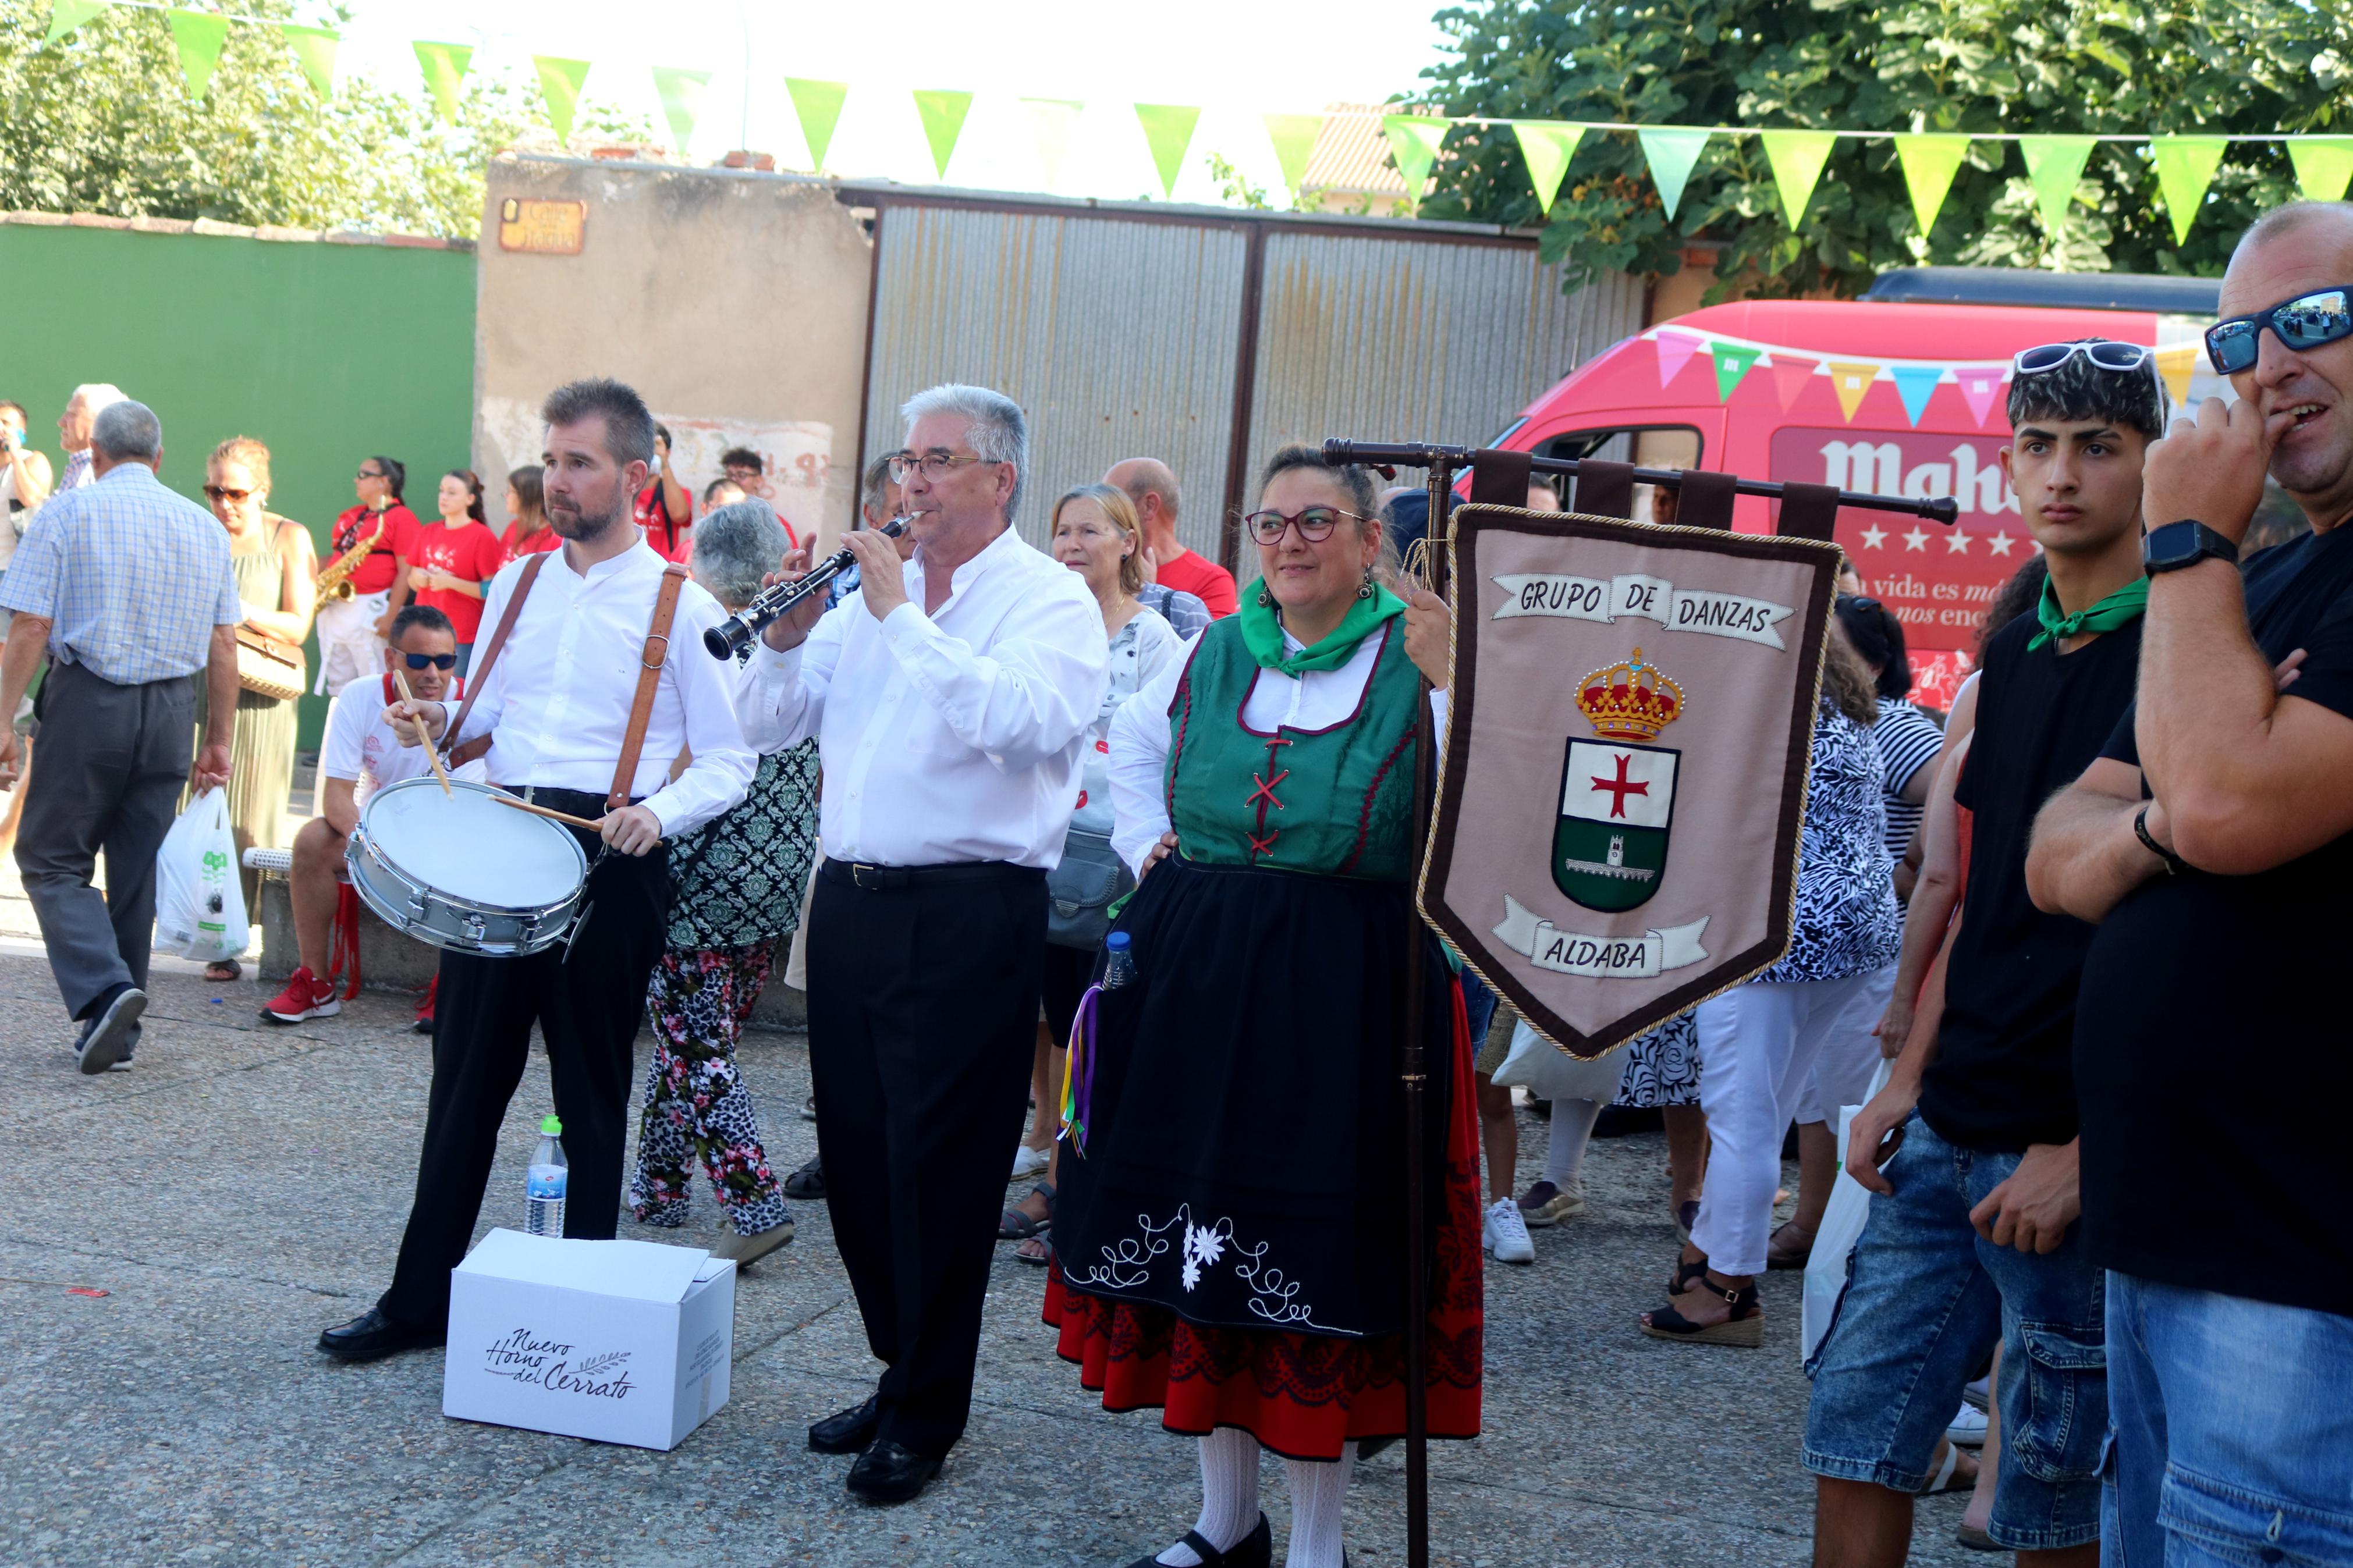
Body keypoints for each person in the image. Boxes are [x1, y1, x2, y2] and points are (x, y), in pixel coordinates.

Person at [1047, 444, 1480, 1568]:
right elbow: (1131, 745)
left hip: (1345, 978)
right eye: (1271, 522)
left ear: (1367, 540)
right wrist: (1152, 849)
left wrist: (1456, 684)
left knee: (1306, 1252)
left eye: (1316, 522)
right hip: (1200, 966)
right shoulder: (1215, 646)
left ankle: (1317, 1545)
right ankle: (1224, 1523)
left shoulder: (1416, 649)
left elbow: (1491, 791)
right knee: (1201, 1236)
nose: (1289, 542)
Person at [2026, 201, 2353, 1565]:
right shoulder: (2267, 583)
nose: (2267, 366)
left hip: (2301, 1275)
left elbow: (2211, 792)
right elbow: (2059, 846)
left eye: (2316, 321)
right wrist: (2169, 827)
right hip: (2168, 1247)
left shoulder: (2215, 566)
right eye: (2238, 336)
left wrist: (2183, 544)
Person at [1806, 337, 2165, 1566]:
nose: (2058, 474)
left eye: (2096, 447)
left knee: (2047, 1499)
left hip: (2069, 1145)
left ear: (2151, 464)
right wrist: (1899, 1079)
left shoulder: (2182, 654)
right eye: (2035, 445)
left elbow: (2188, 940)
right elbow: (1979, 895)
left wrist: (2084, 1148)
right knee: (1851, 1434)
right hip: (1943, 1121)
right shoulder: (2009, 656)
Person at [315, 377, 753, 1364]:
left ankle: (581, 1310)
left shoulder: (680, 603)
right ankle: (417, 1300)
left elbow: (730, 760)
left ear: (635, 476)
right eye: (551, 461)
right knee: (462, 1082)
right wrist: (447, 728)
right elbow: (496, 722)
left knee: (592, 1093)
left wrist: (657, 814)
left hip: (613, 851)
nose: (557, 480)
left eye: (580, 462)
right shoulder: (515, 580)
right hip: (503, 839)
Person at [736, 383, 1105, 1504]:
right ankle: (900, 1371)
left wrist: (900, 615)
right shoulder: (857, 599)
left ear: (1000, 479)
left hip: (967, 909)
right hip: (848, 905)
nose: (913, 483)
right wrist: (786, 643)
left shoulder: (1046, 601)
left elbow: (1019, 725)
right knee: (855, 1158)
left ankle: (930, 1408)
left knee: (939, 1167)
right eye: (906, 463)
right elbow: (762, 727)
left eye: (939, 462)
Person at [1639, 631, 1899, 1346]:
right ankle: (1706, 1260)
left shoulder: (1756, 703)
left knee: (1743, 1116)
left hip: (1770, 934)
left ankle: (1728, 1291)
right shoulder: (1843, 705)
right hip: (1853, 928)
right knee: (1767, 1103)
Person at [0, 399, 239, 1073]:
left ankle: (106, 991)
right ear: (159, 459)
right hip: (171, 712)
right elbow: (225, 644)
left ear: (95, 458)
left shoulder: (68, 512)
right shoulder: (203, 525)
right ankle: (118, 1035)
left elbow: (30, 627)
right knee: (135, 874)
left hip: (89, 704)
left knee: (49, 858)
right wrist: (217, 739)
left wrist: (3, 722)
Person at [628, 500, 819, 1267]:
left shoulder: (701, 638)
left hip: (696, 879)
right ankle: (659, 1185)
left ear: (701, 559)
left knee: (697, 1042)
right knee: (697, 1035)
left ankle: (753, 1201)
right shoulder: (793, 636)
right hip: (774, 881)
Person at [1003, 483, 1183, 1260]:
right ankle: (1060, 1175)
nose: (1070, 543)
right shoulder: (1039, 630)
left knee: (1100, 1032)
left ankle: (1079, 1196)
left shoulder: (1152, 640)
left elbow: (1167, 751)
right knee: (1053, 1020)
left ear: (1126, 542)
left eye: (1088, 530)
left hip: (1115, 863)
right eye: (1060, 531)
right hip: (1041, 853)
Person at [1766, 595, 1946, 1271]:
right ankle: (1814, 1226)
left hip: (1880, 950)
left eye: (1828, 646)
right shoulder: (1825, 719)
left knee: (1846, 1093)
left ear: (1870, 663)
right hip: (1824, 946)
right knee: (1814, 1092)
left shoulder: (1894, 725)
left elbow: (1953, 798)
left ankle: (1847, 1241)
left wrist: (1901, 873)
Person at [260, 605, 475, 1024]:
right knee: (312, 841)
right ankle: (316, 985)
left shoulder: (471, 705)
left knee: (473, 852)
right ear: (391, 658)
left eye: (445, 661)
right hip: (379, 829)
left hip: (449, 832)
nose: (433, 673)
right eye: (418, 660)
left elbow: (472, 807)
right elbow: (336, 796)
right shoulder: (360, 696)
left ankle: (449, 985)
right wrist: (375, 841)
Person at [190, 436, 317, 972]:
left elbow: (299, 623)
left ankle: (239, 935)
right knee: (197, 810)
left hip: (261, 699)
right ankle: (206, 928)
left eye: (236, 492)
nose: (224, 504)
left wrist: (241, 610)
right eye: (214, 491)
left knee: (248, 819)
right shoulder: (198, 533)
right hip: (199, 689)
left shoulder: (289, 537)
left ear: (262, 492)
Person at [315, 456, 422, 696]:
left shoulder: (401, 517)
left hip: (371, 610)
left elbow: (406, 569)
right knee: (339, 685)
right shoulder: (351, 516)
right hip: (336, 608)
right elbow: (337, 556)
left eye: (364, 475)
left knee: (373, 683)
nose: (357, 480)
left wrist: (391, 615)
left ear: (384, 482)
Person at [1106, 457, 1237, 617]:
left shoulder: (1210, 582)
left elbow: (1205, 643)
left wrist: (1148, 595)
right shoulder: (1099, 568)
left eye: (1111, 502)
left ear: (1149, 506)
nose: (1099, 510)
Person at [408, 469, 505, 673]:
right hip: (423, 630)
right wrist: (416, 577)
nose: (444, 497)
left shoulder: (482, 536)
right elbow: (411, 579)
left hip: (460, 636)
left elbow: (491, 589)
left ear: (470, 499)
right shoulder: (428, 531)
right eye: (442, 491)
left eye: (452, 493)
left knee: (455, 695)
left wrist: (450, 583)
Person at [637, 423, 695, 563]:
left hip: (661, 572)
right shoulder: (625, 490)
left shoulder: (677, 492)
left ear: (668, 453)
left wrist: (663, 462)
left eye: (653, 448)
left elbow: (680, 515)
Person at [53, 384, 125, 495]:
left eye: (72, 414)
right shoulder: (81, 468)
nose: (61, 422)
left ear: (100, 422)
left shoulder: (94, 472)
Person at [1, 399, 55, 528]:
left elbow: (30, 498)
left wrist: (15, 455)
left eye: (5, 423)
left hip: (18, 548)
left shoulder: (33, 460)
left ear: (21, 433)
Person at [500, 465, 559, 561]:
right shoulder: (514, 527)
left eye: (510, 491)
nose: (506, 495)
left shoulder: (555, 539)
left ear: (527, 496)